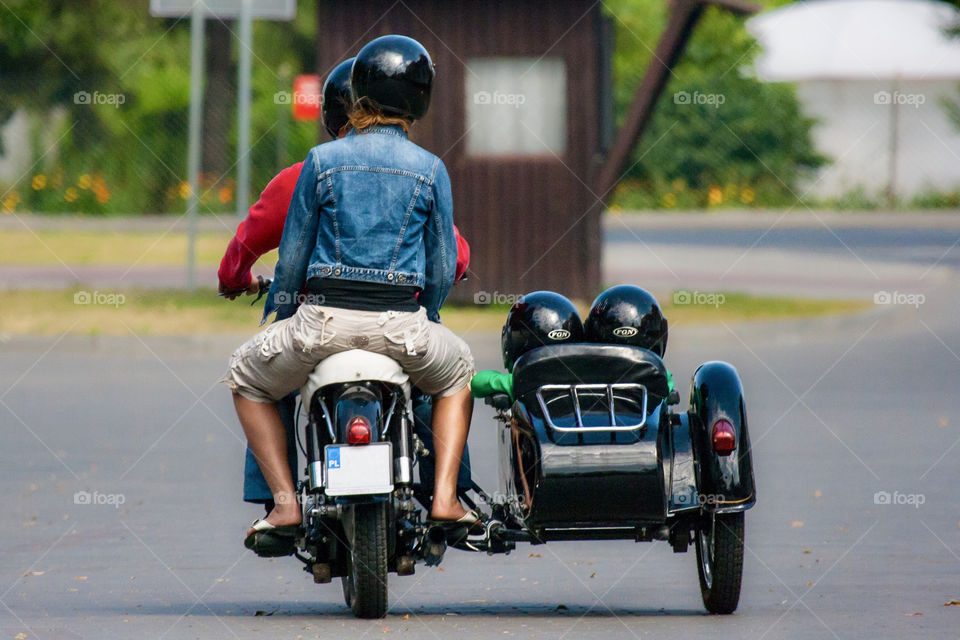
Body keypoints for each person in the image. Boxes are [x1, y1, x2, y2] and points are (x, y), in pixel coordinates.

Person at [223, 35, 478, 552]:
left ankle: (284, 504)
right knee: (459, 375)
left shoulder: (320, 162)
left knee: (244, 378)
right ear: (420, 100)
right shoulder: (431, 169)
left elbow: (292, 261)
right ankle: (446, 497)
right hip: (401, 327)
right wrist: (426, 316)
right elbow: (441, 265)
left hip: (321, 325)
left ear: (356, 95)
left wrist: (286, 314)